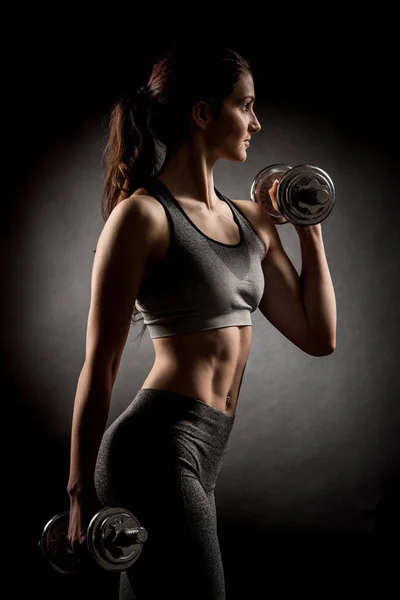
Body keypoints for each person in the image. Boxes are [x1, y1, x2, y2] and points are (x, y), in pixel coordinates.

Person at [66, 43, 337, 599]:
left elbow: (318, 336)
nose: (257, 123)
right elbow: (101, 364)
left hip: (205, 452)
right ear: (202, 113)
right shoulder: (141, 215)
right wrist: (77, 493)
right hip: (155, 448)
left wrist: (305, 222)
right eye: (246, 106)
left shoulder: (254, 220)